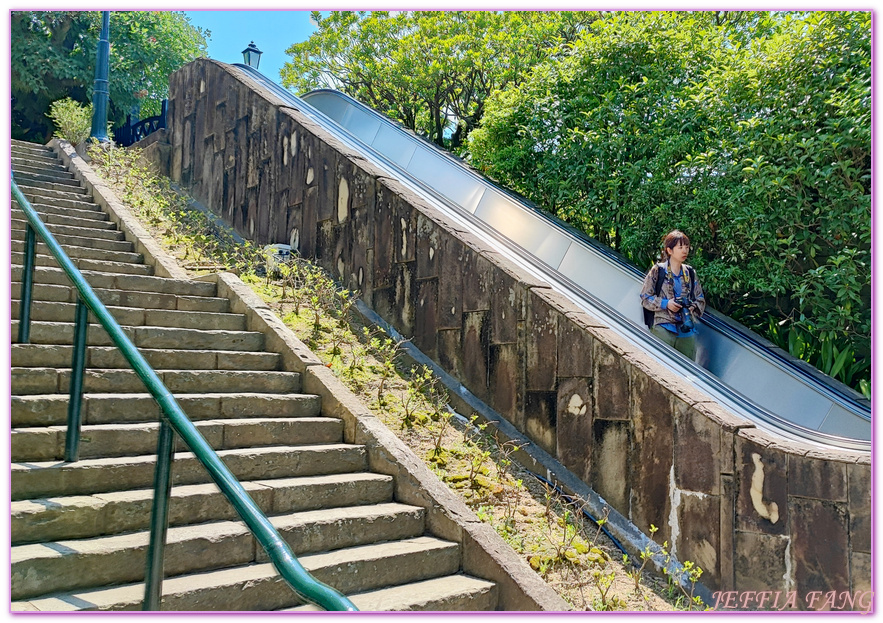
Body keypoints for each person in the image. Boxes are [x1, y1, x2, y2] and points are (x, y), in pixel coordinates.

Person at [639, 230, 706, 360]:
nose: (684, 251)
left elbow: (700, 299)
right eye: (680, 247)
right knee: (661, 365)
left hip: (686, 329)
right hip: (663, 326)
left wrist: (691, 307)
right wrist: (666, 304)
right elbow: (645, 297)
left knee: (687, 371)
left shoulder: (690, 273)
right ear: (669, 250)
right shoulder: (658, 270)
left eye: (686, 247)